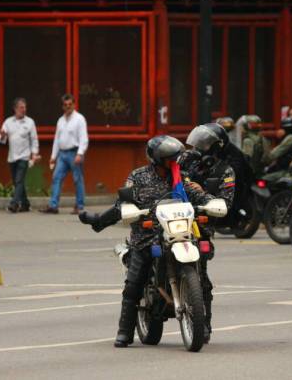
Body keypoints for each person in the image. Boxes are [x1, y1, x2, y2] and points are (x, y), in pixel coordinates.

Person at [79, 135, 214, 348]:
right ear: (157, 159)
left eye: (176, 158)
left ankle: (202, 325)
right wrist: (123, 212)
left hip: (179, 232)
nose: (174, 162)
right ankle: (124, 331)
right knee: (134, 283)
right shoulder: (138, 177)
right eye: (170, 158)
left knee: (203, 279)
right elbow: (122, 203)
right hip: (147, 236)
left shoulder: (180, 176)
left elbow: (196, 194)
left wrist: (211, 202)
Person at [183, 123, 235, 343]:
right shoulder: (186, 162)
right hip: (173, 219)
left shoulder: (225, 171)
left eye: (204, 144)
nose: (198, 148)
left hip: (201, 225)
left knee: (201, 276)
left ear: (216, 148)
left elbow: (227, 203)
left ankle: (203, 323)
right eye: (198, 143)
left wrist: (202, 193)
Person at [41, 94, 88, 215]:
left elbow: (84, 138)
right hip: (62, 154)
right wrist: (53, 156)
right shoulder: (60, 120)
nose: (68, 106)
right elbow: (57, 139)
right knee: (56, 178)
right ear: (62, 106)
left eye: (70, 104)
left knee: (77, 179)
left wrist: (80, 153)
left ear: (74, 104)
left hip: (74, 152)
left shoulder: (79, 119)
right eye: (65, 105)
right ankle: (53, 206)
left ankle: (80, 206)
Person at [0, 98, 40, 213]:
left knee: (19, 180)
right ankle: (25, 204)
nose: (24, 110)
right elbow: (2, 139)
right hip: (12, 157)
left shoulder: (30, 122)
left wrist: (34, 154)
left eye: (25, 107)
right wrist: (2, 135)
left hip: (24, 157)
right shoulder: (8, 122)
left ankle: (14, 204)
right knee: (17, 182)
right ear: (15, 109)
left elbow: (34, 140)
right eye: (21, 107)